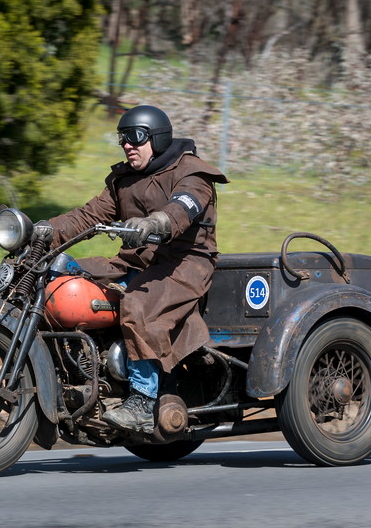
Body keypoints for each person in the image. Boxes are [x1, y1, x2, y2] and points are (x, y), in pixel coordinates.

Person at [34, 105, 229, 433]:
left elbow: (182, 208)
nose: (127, 145)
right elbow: (87, 216)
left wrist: (155, 222)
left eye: (136, 138)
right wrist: (43, 232)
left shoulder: (193, 174)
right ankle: (76, 373)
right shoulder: (124, 180)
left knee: (136, 304)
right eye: (123, 138)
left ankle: (143, 399)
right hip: (135, 262)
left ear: (157, 138)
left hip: (184, 265)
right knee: (60, 273)